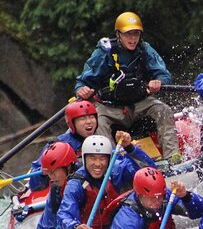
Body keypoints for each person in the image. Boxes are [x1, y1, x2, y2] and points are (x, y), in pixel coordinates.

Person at [73, 11, 182, 169]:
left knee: (163, 109)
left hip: (140, 102)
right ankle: (114, 166)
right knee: (100, 122)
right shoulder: (105, 51)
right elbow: (84, 80)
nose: (133, 39)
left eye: (136, 34)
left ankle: (173, 158)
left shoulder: (144, 49)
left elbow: (163, 74)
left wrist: (159, 81)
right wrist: (81, 89)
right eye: (128, 34)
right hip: (110, 106)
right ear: (118, 34)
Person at [57, 133, 157, 229]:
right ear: (85, 159)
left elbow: (150, 172)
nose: (98, 164)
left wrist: (130, 149)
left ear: (109, 159)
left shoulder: (116, 171)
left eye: (102, 159)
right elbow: (64, 215)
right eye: (92, 158)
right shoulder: (76, 185)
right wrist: (75, 227)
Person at [27, 142, 79, 229]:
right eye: (49, 173)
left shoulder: (88, 180)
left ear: (68, 167)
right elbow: (47, 227)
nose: (52, 177)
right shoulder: (57, 190)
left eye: (54, 172)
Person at [28, 99, 98, 191]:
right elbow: (34, 184)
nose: (89, 121)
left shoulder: (100, 141)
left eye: (91, 117)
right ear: (72, 123)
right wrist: (42, 173)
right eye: (82, 118)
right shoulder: (58, 144)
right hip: (65, 192)